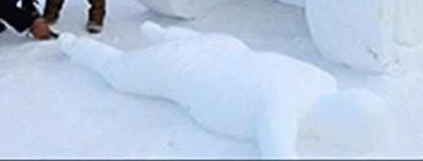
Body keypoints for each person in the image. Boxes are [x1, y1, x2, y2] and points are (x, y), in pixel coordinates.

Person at [59, 22, 385, 158]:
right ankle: (76, 46)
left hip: (226, 47)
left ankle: (161, 33)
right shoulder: (283, 107)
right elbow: (279, 154)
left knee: (183, 42)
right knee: (119, 71)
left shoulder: (321, 80)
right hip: (182, 69)